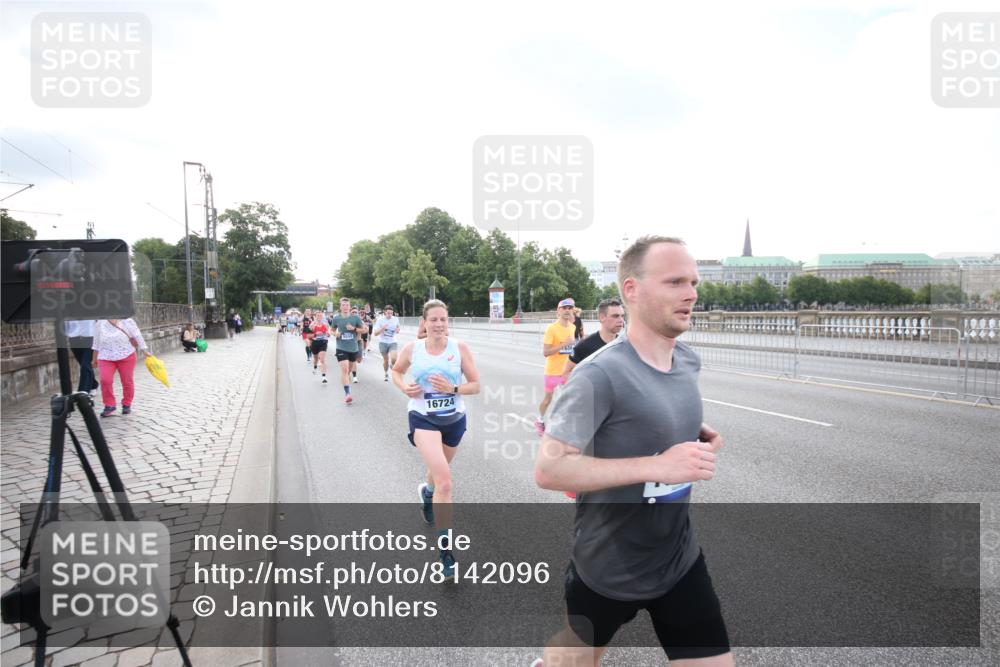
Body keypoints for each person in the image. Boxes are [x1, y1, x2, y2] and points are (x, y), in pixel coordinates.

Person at [533, 236, 731, 666]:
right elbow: (549, 471)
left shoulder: (688, 362)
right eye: (675, 281)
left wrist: (689, 433)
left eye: (693, 282)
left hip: (678, 561)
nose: (692, 293)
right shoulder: (598, 375)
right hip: (607, 568)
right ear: (631, 290)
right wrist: (659, 464)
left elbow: (649, 414)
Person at [391, 299, 480, 579]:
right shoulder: (412, 349)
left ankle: (427, 494)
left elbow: (476, 385)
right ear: (424, 322)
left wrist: (453, 387)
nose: (439, 324)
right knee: (445, 480)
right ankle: (446, 552)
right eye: (434, 320)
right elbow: (396, 371)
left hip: (454, 420)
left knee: (437, 473)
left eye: (443, 319)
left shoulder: (459, 348)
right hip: (423, 418)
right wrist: (404, 387)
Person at [534, 298, 578, 436]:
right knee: (548, 400)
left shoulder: (572, 327)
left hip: (567, 372)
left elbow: (571, 349)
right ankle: (540, 420)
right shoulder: (551, 329)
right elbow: (546, 352)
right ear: (558, 311)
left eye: (570, 308)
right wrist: (564, 344)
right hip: (552, 371)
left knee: (568, 400)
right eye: (564, 308)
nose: (567, 310)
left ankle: (562, 426)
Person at [92, 318, 149, 417]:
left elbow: (137, 335)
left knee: (127, 381)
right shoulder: (100, 323)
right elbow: (96, 343)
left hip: (126, 354)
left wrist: (144, 350)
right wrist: (94, 358)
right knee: (105, 380)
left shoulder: (127, 321)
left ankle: (127, 404)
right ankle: (109, 405)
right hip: (106, 356)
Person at [562, 298, 625, 378]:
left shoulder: (625, 345)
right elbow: (566, 373)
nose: (621, 320)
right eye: (615, 316)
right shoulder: (584, 345)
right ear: (602, 317)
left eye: (622, 316)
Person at [331, 298, 365, 404]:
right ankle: (347, 394)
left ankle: (346, 381)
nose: (345, 307)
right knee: (345, 370)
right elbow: (331, 330)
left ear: (349, 307)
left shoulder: (356, 318)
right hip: (341, 347)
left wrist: (353, 329)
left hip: (353, 348)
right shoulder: (336, 318)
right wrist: (335, 334)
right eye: (343, 305)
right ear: (340, 307)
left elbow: (364, 330)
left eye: (347, 305)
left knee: (348, 371)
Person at [64, 319, 99, 395]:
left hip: (90, 338)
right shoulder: (68, 309)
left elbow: (98, 321)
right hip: (74, 339)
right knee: (84, 365)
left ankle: (82, 393)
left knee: (86, 365)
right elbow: (65, 322)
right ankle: (93, 385)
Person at [373, 304, 402, 381]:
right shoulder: (380, 320)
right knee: (386, 360)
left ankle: (392, 365)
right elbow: (375, 333)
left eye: (391, 313)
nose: (389, 315)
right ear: (384, 312)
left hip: (393, 342)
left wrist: (398, 330)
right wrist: (382, 328)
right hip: (383, 342)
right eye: (388, 313)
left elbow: (398, 327)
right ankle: (386, 373)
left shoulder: (395, 319)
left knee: (394, 358)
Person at [310, 312, 331, 383]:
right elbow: (309, 335)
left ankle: (324, 377)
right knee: (316, 358)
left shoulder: (325, 324)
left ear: (322, 316)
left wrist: (328, 334)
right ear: (315, 316)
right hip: (315, 343)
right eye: (318, 315)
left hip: (323, 342)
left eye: (320, 315)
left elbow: (328, 333)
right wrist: (315, 334)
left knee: (322, 359)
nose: (319, 317)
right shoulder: (312, 324)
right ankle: (315, 368)